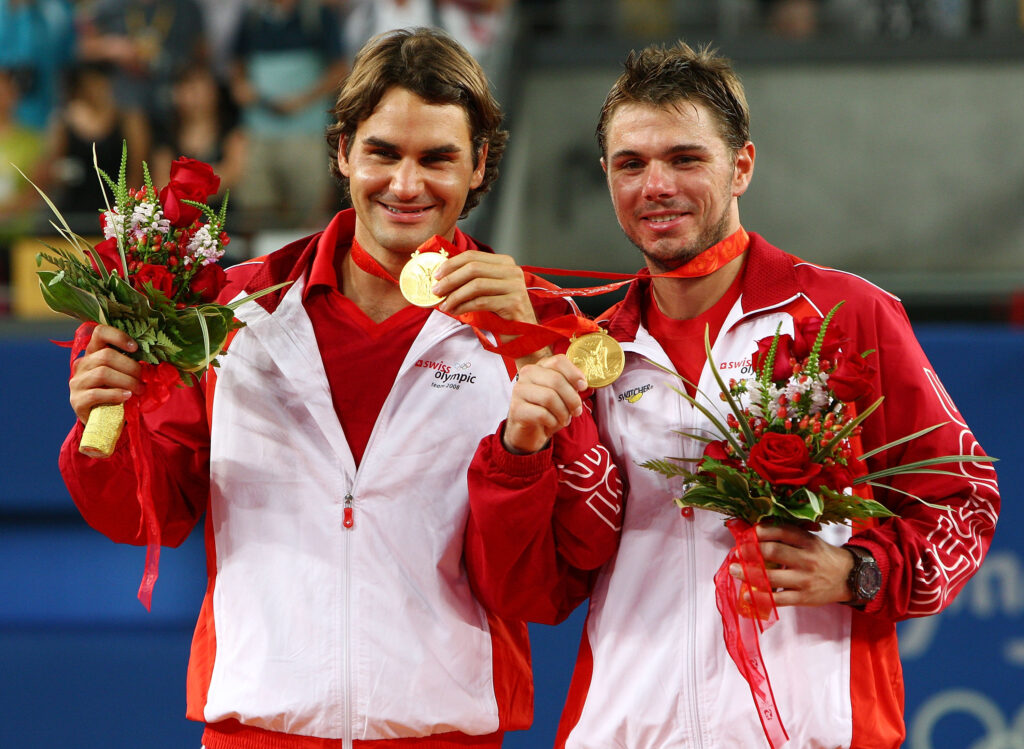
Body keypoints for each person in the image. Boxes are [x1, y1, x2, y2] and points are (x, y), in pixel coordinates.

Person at [58, 27, 620, 748]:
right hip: (258, 730)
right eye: (383, 152)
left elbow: (547, 585)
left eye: (438, 158)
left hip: (444, 735)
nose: (407, 184)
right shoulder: (230, 315)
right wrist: (104, 423)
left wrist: (526, 351)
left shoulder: (542, 326)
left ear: (480, 165)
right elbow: (149, 516)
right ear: (342, 152)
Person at [466, 40, 1000, 747]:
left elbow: (964, 494)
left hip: (811, 731)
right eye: (631, 164)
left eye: (685, 158)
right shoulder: (588, 352)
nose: (656, 185)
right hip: (625, 729)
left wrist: (861, 570)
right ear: (606, 177)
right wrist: (519, 453)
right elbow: (546, 585)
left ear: (741, 165)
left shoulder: (844, 314)